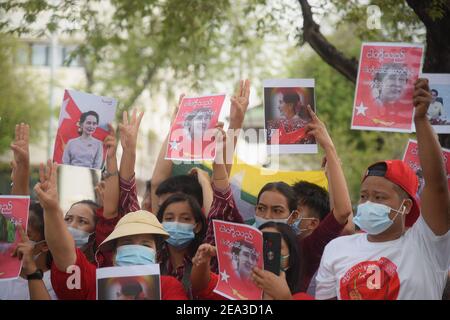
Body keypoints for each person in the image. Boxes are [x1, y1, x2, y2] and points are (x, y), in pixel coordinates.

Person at [315, 78, 450, 300]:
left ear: (405, 206)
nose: (368, 204)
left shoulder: (427, 245)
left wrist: (421, 120)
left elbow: (437, 185)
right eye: (364, 196)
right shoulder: (336, 249)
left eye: (379, 197)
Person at [33, 161, 188, 300]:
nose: (136, 249)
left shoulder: (168, 287)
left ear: (157, 256)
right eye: (127, 242)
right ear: (114, 254)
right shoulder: (94, 281)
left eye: (145, 245)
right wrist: (52, 210)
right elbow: (64, 253)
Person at [190, 222, 313, 300]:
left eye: (274, 247)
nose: (265, 253)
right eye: (258, 245)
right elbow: (201, 286)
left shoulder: (302, 298)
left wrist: (283, 297)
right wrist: (203, 260)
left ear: (291, 259)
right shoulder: (234, 290)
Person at [0, 202, 57, 300]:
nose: (14, 241)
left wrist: (30, 267)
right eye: (12, 233)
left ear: (45, 245)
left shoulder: (55, 283)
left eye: (25, 235)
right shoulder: (3, 273)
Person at [156, 192, 207, 296]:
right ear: (160, 224)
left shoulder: (204, 260)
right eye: (169, 219)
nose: (176, 223)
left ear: (197, 227)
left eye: (185, 219)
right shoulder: (152, 259)